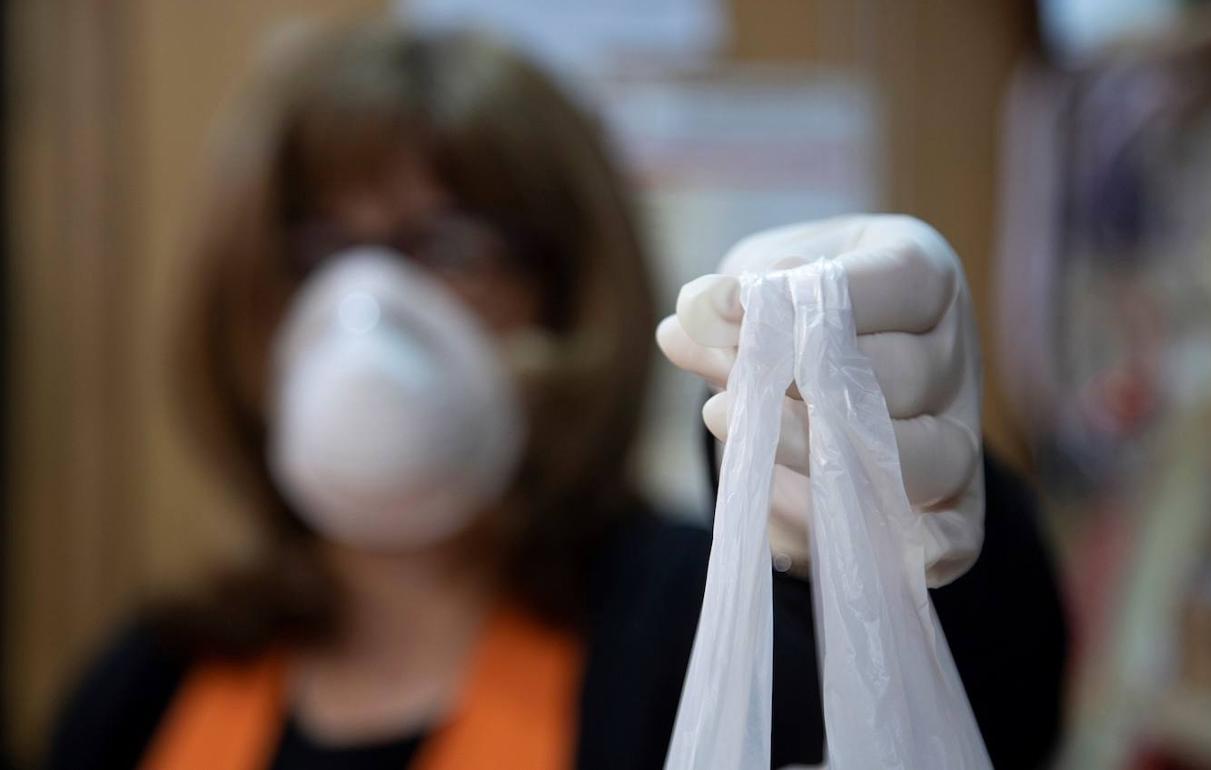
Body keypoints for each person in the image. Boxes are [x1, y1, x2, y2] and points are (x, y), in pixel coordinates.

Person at [43, 20, 1066, 770]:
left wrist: (852, 454)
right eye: (316, 251)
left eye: (445, 245)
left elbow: (978, 698)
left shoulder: (681, 622)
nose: (365, 305)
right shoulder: (150, 681)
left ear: (568, 292)